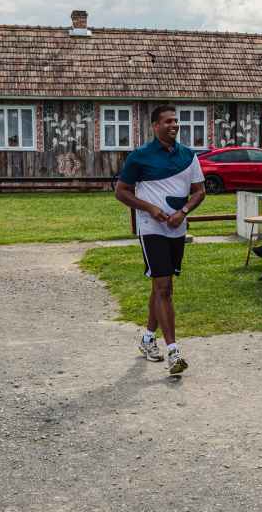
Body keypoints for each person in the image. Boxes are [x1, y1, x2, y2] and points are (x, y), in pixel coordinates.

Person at [114, 104, 206, 375]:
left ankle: (147, 339)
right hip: (151, 228)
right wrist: (150, 209)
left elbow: (200, 192)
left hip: (177, 228)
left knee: (162, 287)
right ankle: (174, 352)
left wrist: (183, 212)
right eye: (168, 121)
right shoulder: (140, 157)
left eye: (176, 121)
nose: (174, 125)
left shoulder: (188, 156)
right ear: (155, 126)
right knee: (163, 287)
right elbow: (121, 191)